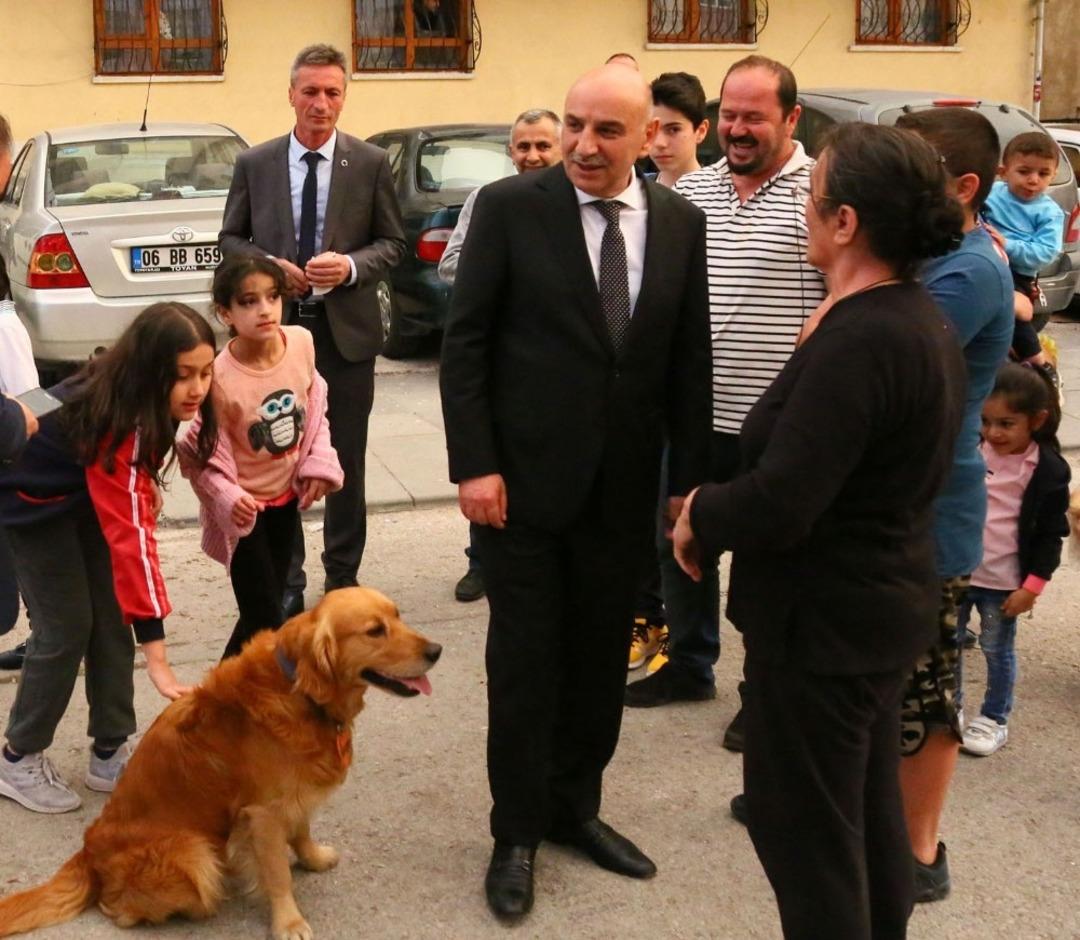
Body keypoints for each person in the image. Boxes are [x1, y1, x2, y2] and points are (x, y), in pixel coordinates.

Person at [673, 122, 966, 940]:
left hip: (827, 627)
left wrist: (700, 513)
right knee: (864, 821)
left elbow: (783, 499)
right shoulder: (900, 316)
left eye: (812, 197)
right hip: (869, 614)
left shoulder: (866, 336)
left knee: (805, 834)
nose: (804, 210)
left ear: (846, 222)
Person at [440, 64, 711, 921]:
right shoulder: (510, 209)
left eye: (607, 130)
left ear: (648, 137)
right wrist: (474, 465)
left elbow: (689, 361)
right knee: (525, 665)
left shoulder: (680, 221)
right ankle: (516, 832)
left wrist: (686, 486)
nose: (584, 145)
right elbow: (466, 344)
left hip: (622, 492)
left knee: (599, 658)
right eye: (574, 125)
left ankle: (575, 810)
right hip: (519, 491)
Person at [625, 55, 826, 719]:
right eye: (730, 115)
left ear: (791, 119)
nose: (738, 129)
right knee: (679, 541)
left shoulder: (820, 194)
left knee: (771, 563)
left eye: (755, 117)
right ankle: (689, 666)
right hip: (692, 419)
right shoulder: (691, 194)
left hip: (780, 426)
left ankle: (763, 694)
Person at [0, 303, 217, 814]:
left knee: (114, 616)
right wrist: (158, 658)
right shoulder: (119, 416)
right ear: (149, 370)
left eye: (206, 372)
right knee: (66, 626)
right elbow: (134, 544)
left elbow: (125, 487)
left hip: (80, 494)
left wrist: (140, 482)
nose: (197, 388)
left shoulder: (137, 396)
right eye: (182, 375)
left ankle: (109, 751)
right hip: (28, 502)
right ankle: (17, 757)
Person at [219, 43, 406, 620]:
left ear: (343, 97)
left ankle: (342, 575)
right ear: (291, 95)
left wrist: (349, 266)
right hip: (274, 339)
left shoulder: (370, 163)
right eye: (310, 92)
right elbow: (230, 239)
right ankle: (289, 575)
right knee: (279, 455)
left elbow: (392, 243)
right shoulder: (256, 163)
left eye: (332, 92)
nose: (320, 103)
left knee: (342, 458)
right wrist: (268, 267)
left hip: (344, 336)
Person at [890, 107, 1015, 903]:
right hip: (906, 505)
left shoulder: (967, 272)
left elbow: (888, 365)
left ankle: (920, 850)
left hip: (935, 513)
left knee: (927, 689)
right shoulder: (934, 258)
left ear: (963, 187)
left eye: (917, 167)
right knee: (889, 679)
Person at [179, 255, 343, 659]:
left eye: (272, 297)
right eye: (249, 302)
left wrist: (318, 461)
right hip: (244, 514)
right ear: (226, 313)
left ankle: (221, 690)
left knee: (264, 611)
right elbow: (198, 456)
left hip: (285, 501)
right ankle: (243, 691)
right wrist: (227, 497)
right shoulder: (218, 376)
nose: (265, 310)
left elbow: (315, 407)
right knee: (265, 619)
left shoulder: (301, 343)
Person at [437, 108, 562, 604]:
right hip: (498, 358)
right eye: (523, 146)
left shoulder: (576, 203)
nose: (532, 155)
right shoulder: (487, 200)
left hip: (555, 365)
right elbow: (450, 264)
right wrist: (506, 275)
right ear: (510, 152)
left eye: (543, 145)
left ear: (561, 149)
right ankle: (481, 563)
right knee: (488, 460)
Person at [628, 70, 710, 671]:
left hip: (699, 391)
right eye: (652, 129)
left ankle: (689, 646)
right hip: (643, 392)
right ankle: (650, 620)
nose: (659, 142)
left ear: (700, 131)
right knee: (646, 519)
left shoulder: (708, 200)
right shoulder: (638, 196)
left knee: (683, 519)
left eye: (673, 130)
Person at [958, 363, 1069, 757]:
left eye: (1006, 423)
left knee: (995, 650)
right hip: (959, 573)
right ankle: (949, 707)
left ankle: (994, 718)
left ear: (1036, 420)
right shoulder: (971, 450)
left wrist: (1032, 587)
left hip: (1003, 585)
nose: (993, 433)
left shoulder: (1047, 470)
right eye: (985, 421)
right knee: (946, 645)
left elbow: (1051, 534)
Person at [983, 132, 1065, 383]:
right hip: (983, 262)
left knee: (1014, 317)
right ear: (1003, 171)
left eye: (1043, 173)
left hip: (1016, 274)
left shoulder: (1049, 213)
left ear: (1053, 175)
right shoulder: (990, 194)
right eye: (1024, 171)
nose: (1033, 180)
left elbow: (1045, 253)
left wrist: (1007, 245)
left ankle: (1040, 363)